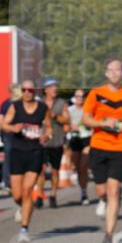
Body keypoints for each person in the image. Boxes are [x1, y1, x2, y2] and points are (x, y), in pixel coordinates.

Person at [82, 58, 122, 243]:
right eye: (111, 70)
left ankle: (108, 235)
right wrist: (102, 123)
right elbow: (85, 119)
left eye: (118, 70)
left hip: (121, 148)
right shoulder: (96, 93)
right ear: (106, 73)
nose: (115, 73)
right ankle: (103, 198)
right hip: (99, 146)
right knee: (102, 190)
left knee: (113, 190)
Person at [1, 78, 53, 241]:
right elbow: (4, 124)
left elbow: (49, 126)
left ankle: (24, 228)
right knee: (17, 195)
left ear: (35, 91)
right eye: (24, 90)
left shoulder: (43, 108)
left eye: (30, 90)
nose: (27, 93)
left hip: (35, 152)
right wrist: (12, 128)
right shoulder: (15, 107)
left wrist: (46, 135)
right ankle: (23, 207)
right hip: (17, 152)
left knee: (28, 190)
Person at [37, 78, 70, 209]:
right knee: (41, 170)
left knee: (55, 171)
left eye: (55, 87)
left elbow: (67, 120)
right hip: (42, 140)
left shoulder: (61, 103)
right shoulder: (40, 103)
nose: (54, 89)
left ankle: (53, 194)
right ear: (46, 90)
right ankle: (39, 195)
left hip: (56, 140)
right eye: (51, 87)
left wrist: (56, 116)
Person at [68, 89, 94, 204]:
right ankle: (83, 190)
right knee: (77, 167)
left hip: (87, 138)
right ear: (75, 97)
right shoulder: (70, 110)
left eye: (82, 96)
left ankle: (84, 193)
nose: (80, 98)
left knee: (83, 166)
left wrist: (89, 125)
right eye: (77, 96)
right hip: (74, 139)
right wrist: (70, 127)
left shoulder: (89, 109)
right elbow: (64, 124)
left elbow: (95, 122)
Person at [0, 86, 23, 190]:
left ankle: (8, 181)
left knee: (9, 158)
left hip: (10, 133)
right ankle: (9, 181)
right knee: (12, 157)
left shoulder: (6, 103)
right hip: (12, 134)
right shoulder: (15, 104)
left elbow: (0, 120)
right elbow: (1, 120)